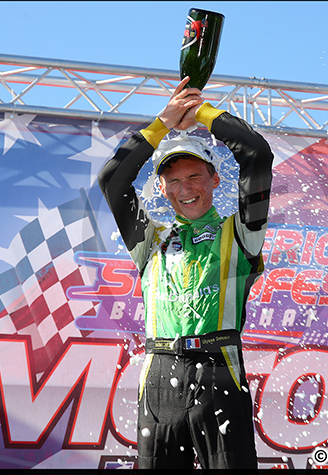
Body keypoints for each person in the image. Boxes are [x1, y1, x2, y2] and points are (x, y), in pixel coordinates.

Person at [98, 76, 273, 469]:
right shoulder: (150, 239)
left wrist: (202, 114)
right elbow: (112, 179)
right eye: (173, 180)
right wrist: (163, 122)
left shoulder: (242, 231)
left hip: (220, 370)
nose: (185, 188)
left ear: (214, 179)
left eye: (195, 176)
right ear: (160, 188)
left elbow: (257, 154)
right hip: (158, 376)